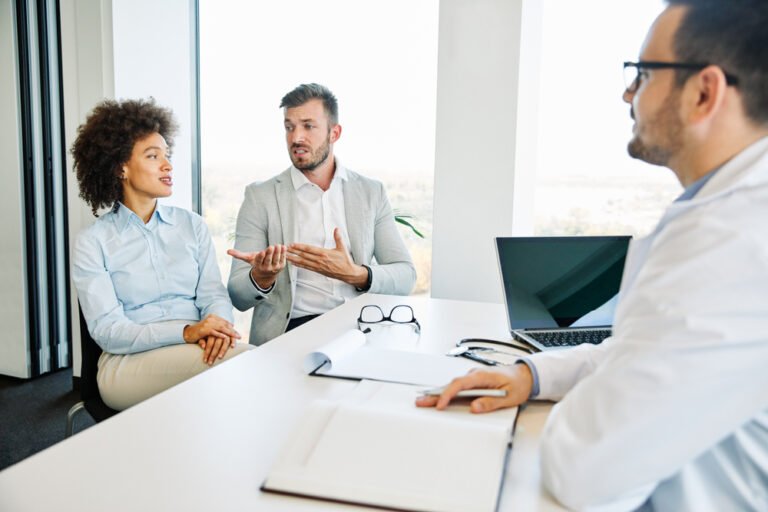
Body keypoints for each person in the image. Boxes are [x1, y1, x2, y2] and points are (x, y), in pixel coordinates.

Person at [417, 0, 768, 510]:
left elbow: (584, 468)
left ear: (704, 92)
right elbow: (644, 351)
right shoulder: (728, 210)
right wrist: (535, 375)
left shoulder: (734, 239)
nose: (627, 93)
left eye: (643, 74)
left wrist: (575, 405)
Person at [71, 98, 251, 411]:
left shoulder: (191, 225)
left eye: (167, 155)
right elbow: (108, 331)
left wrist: (216, 328)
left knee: (233, 370)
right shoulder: (92, 242)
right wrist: (187, 332)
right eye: (153, 156)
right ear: (120, 167)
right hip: (127, 366)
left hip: (198, 350)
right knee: (247, 364)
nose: (167, 165)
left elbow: (213, 295)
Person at [227, 83, 416, 345]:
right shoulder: (261, 197)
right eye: (289, 127)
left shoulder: (371, 192)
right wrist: (261, 277)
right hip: (290, 331)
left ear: (334, 133)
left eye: (308, 126)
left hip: (359, 329)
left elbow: (405, 276)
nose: (296, 138)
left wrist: (356, 274)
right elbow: (237, 295)